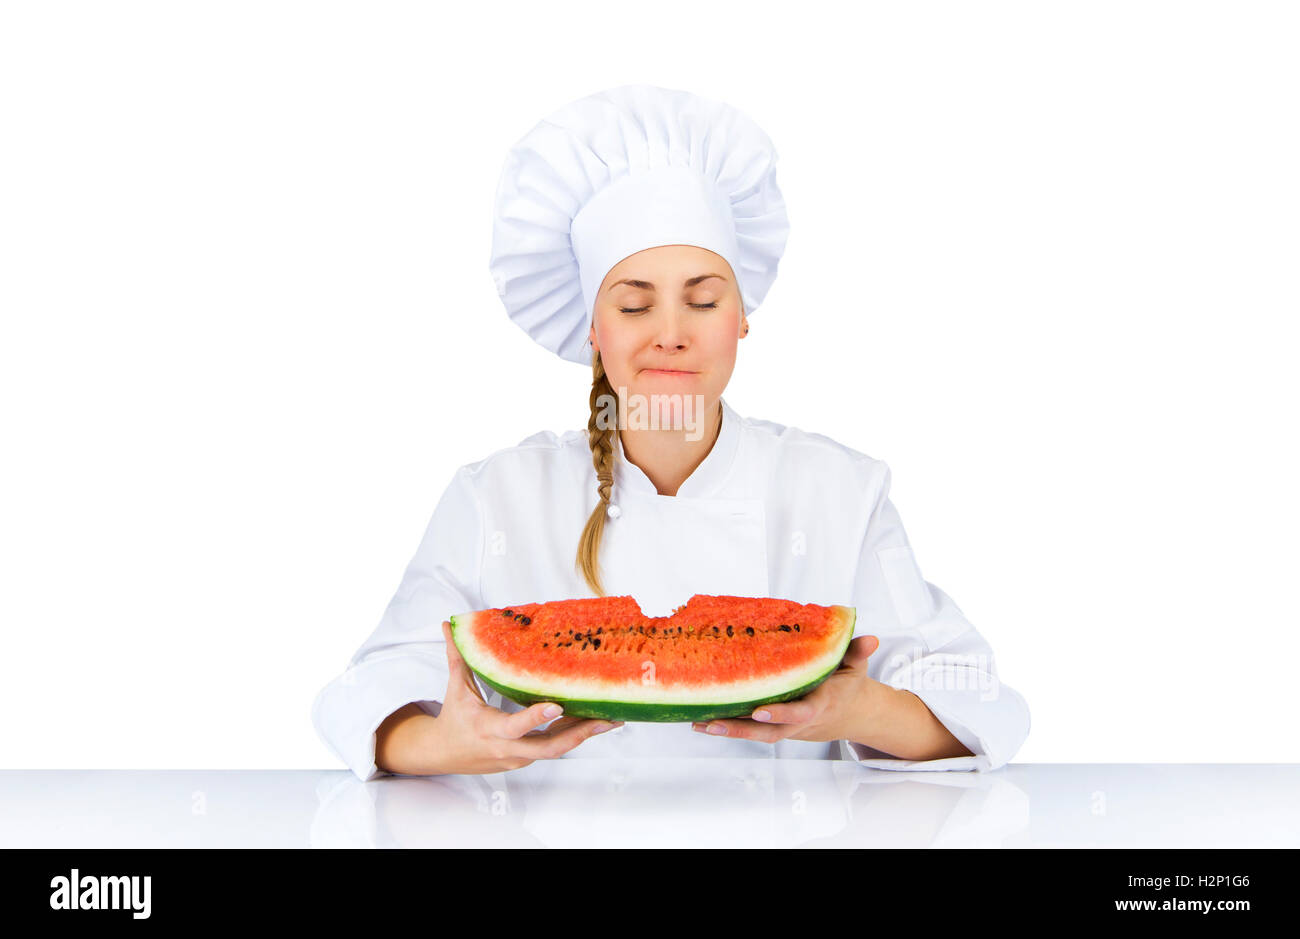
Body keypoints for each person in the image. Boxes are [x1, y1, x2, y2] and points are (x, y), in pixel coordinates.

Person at [311, 84, 1031, 782]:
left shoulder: (840, 489)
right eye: (634, 305)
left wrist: (859, 709)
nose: (671, 335)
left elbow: (975, 704)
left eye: (703, 299)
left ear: (742, 315)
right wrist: (447, 743)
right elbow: (372, 689)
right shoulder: (495, 496)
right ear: (592, 330)